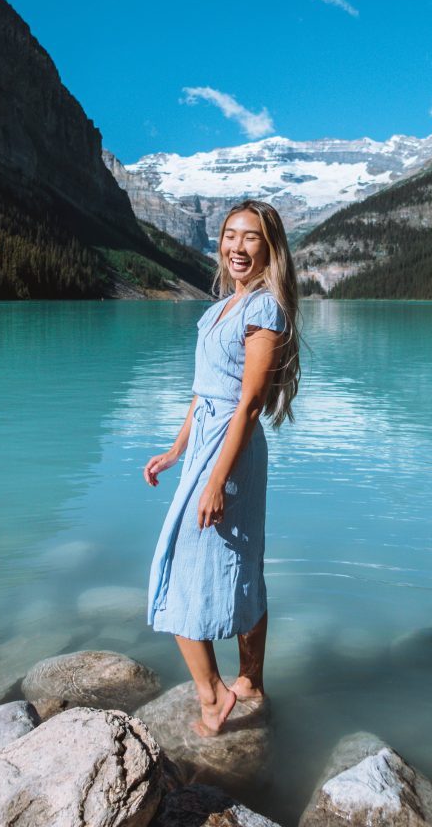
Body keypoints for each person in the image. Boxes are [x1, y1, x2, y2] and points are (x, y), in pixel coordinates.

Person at [144, 199, 301, 736]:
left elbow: (249, 403)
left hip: (232, 451)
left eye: (250, 237)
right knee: (235, 559)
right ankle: (250, 682)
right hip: (208, 442)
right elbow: (201, 395)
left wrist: (215, 480)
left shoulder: (265, 309)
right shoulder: (216, 312)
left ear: (269, 246)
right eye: (230, 235)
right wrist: (174, 451)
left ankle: (215, 697)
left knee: (186, 563)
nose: (237, 246)